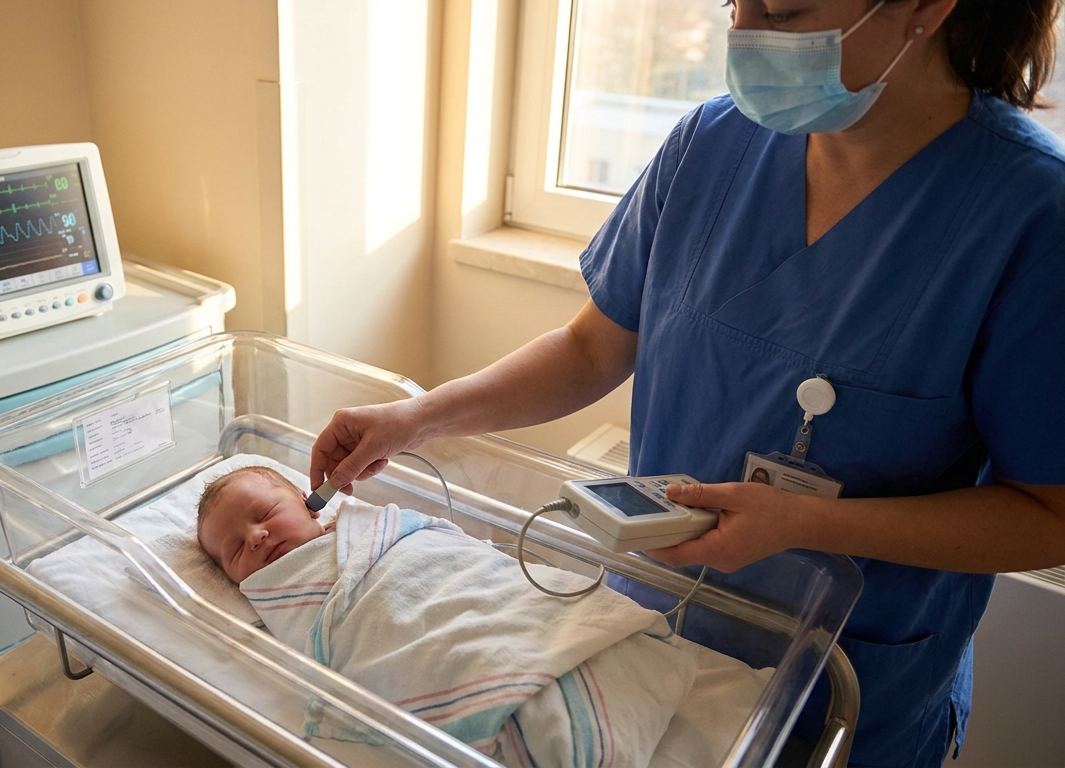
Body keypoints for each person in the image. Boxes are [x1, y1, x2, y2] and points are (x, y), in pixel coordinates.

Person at [309, 1, 1065, 765]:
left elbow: (1050, 512)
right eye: (735, 1)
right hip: (647, 643)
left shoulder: (1031, 216)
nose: (742, 31)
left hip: (843, 691)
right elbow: (590, 350)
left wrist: (807, 527)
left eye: (783, 9)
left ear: (925, 9)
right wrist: (416, 418)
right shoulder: (711, 145)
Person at [196, 466, 334, 583]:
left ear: (306, 503)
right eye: (237, 548)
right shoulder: (265, 600)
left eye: (266, 514)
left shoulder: (348, 523)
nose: (255, 536)